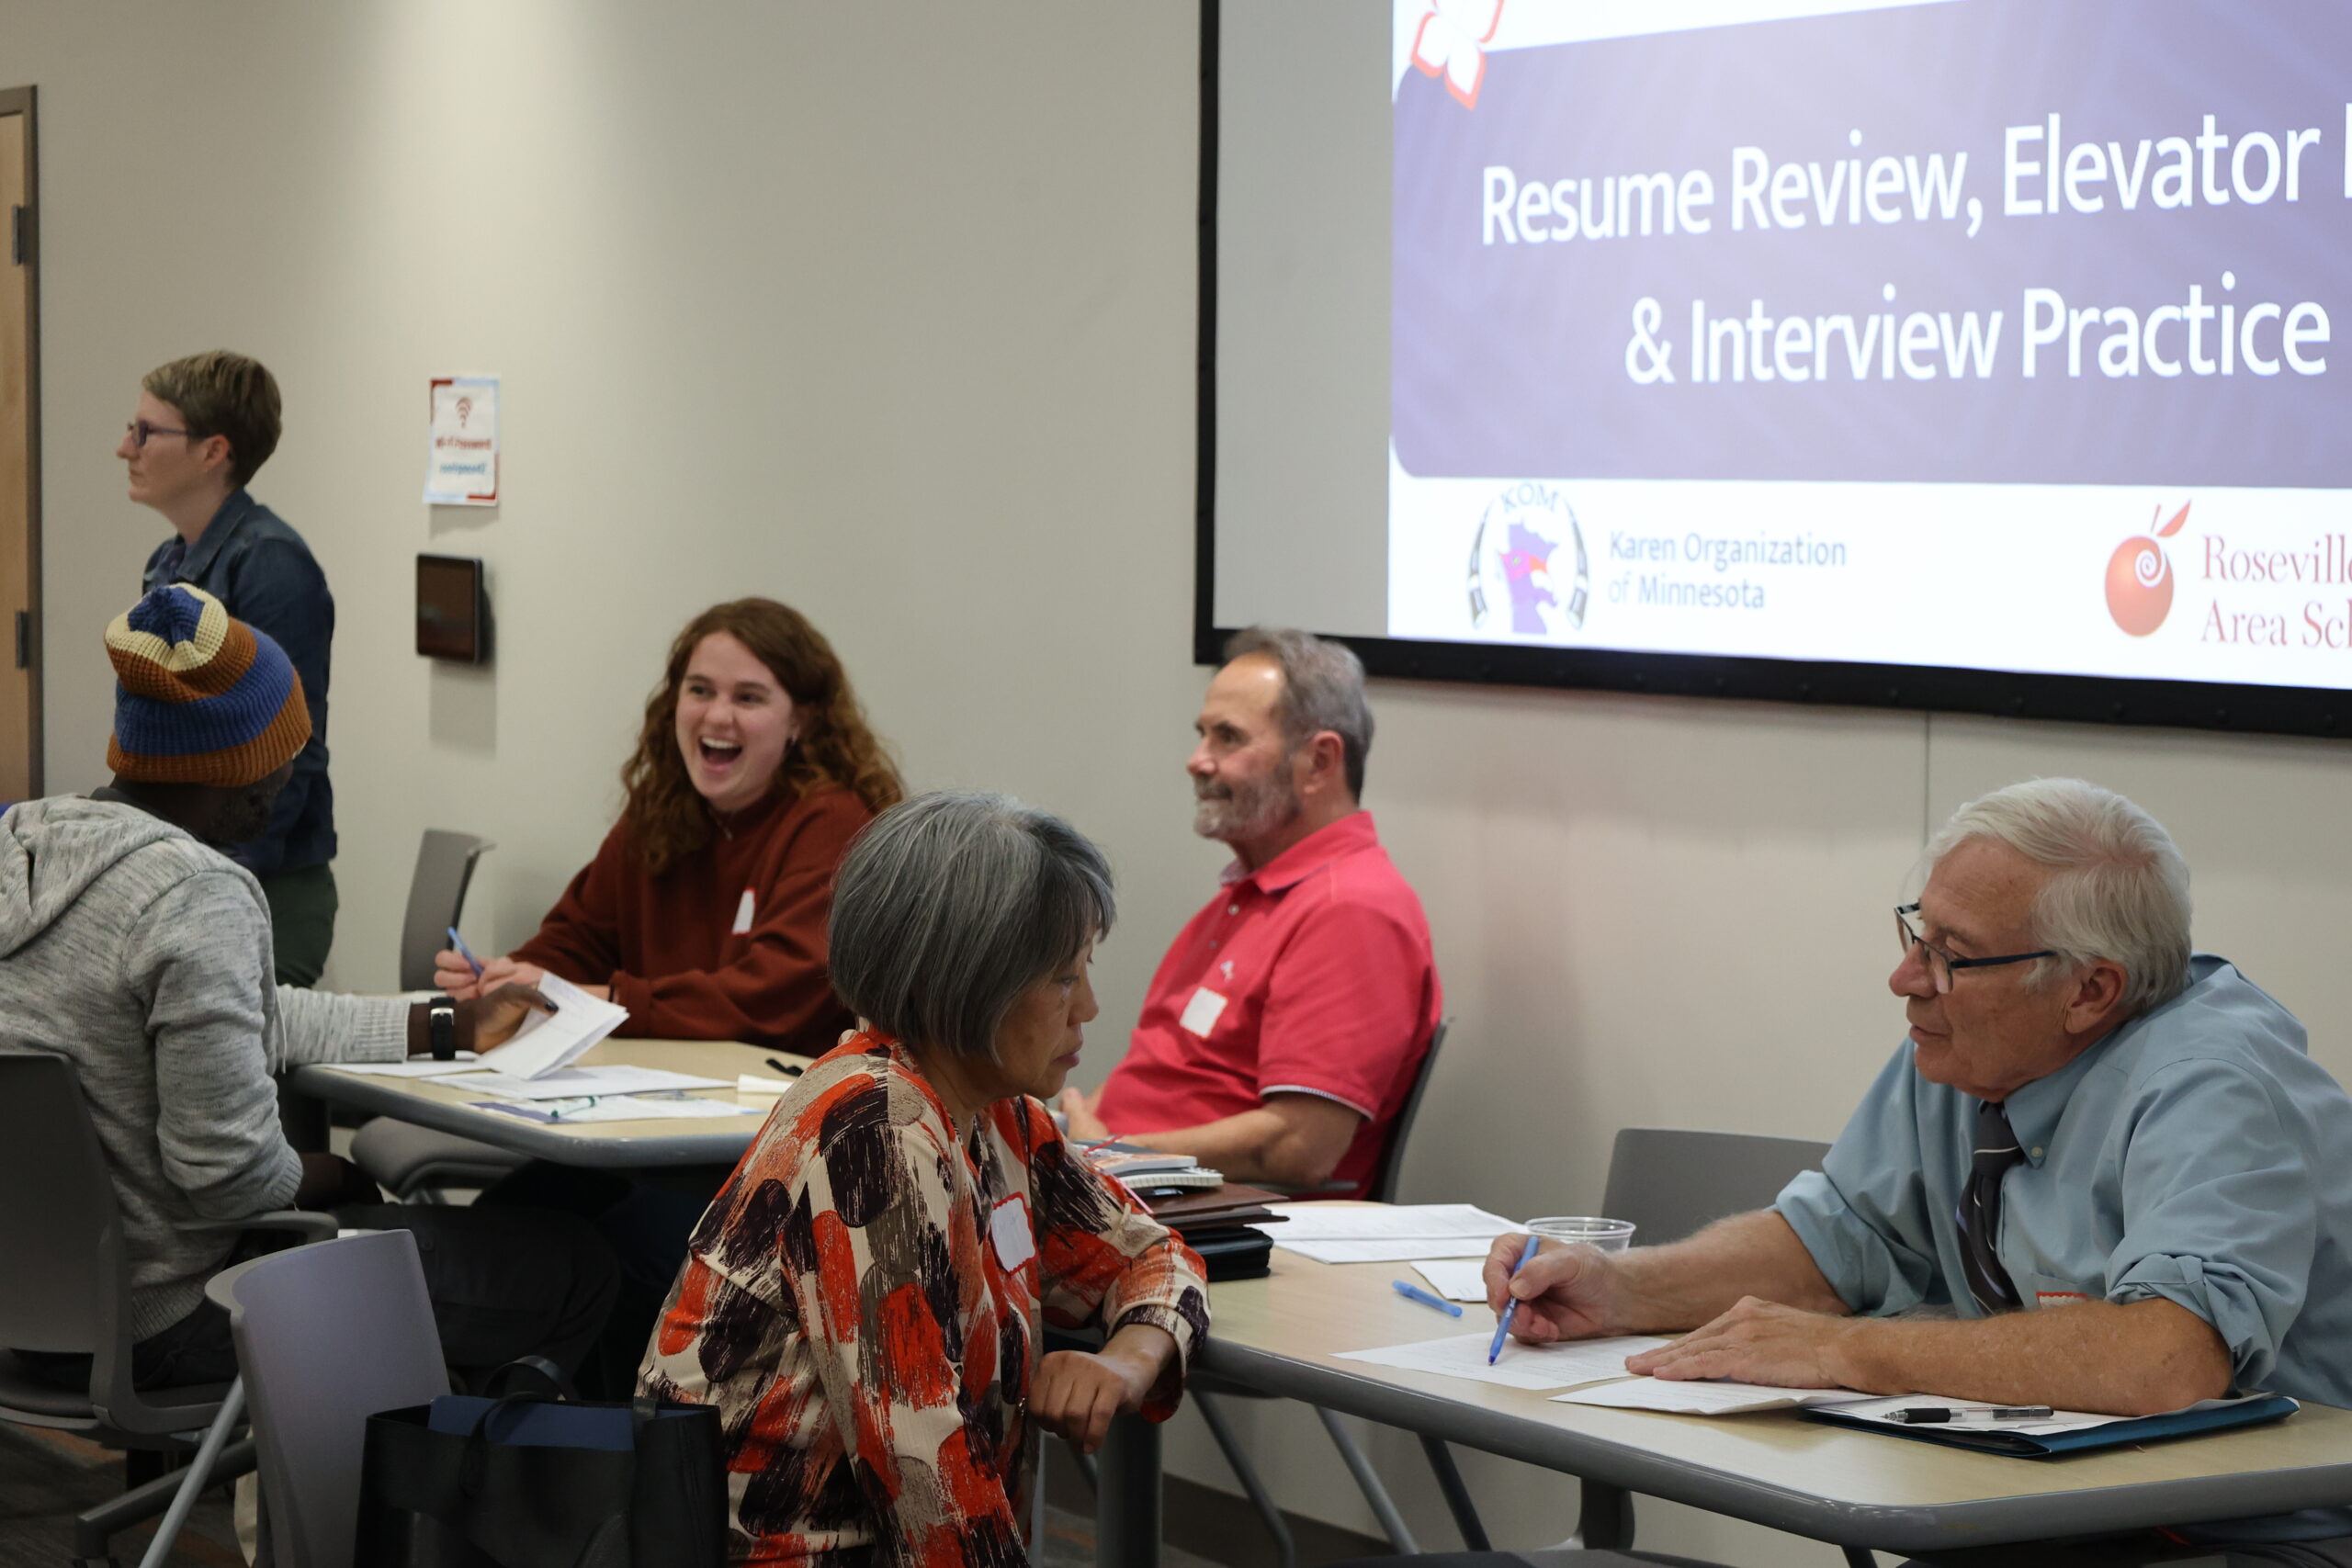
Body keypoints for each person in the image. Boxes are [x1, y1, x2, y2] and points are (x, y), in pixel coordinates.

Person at [1481, 778, 2352, 1561]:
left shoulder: (2217, 1082)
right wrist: (1620, 1288)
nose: (1907, 977)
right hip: (2056, 1510)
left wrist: (1844, 1349)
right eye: (1917, 932)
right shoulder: (1971, 1047)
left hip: (2265, 1532)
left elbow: (2166, 1358)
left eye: (1952, 955)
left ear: (2089, 990)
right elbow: (1837, 1244)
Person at [0, 585, 617, 1389]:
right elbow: (229, 1180)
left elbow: (253, 1014)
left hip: (38, 1311)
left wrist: (450, 1023)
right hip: (179, 1315)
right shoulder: (192, 893)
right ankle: (450, 1499)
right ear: (241, 763)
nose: (294, 770)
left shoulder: (25, 846)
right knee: (575, 1266)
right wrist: (337, 1171)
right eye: (286, 747)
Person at [639, 792, 1210, 1568]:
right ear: (974, 983)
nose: (1091, 1007)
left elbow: (1154, 1254)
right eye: (1063, 978)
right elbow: (930, 1486)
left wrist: (1125, 1361)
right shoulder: (872, 1132)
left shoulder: (996, 1114)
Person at [1059, 627, 1441, 1195]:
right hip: (1127, 1188)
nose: (1197, 761)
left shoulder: (1351, 910)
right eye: (1202, 735)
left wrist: (1102, 1155)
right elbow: (1163, 1075)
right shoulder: (1254, 895)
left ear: (1319, 762)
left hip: (1206, 1223)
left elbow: (1300, 1144)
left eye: (1228, 739)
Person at [434, 596, 900, 1051]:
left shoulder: (831, 821)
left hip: (777, 1108)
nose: (718, 715)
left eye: (748, 698)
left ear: (801, 720)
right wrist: (510, 978)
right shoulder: (663, 809)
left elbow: (774, 995)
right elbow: (578, 939)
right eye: (699, 690)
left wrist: (611, 1001)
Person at [123, 350, 338, 987]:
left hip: (263, 888)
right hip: (191, 879)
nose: (124, 448)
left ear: (213, 451)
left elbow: (288, 751)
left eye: (145, 432)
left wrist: (213, 887)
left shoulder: (270, 563)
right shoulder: (167, 562)